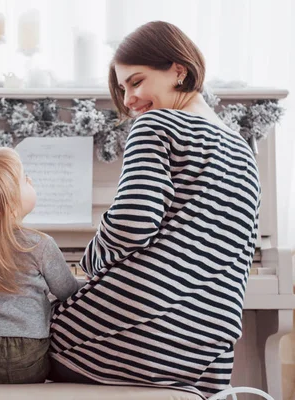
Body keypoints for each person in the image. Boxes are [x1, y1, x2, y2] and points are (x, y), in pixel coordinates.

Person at [48, 21, 261, 399]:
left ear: (179, 70)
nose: (128, 99)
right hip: (201, 351)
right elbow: (237, 264)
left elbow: (133, 222)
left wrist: (90, 262)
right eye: (122, 87)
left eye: (136, 81)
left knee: (7, 341)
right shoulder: (243, 150)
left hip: (125, 339)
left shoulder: (157, 124)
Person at [0, 147, 79, 384]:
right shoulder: (39, 244)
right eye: (23, 178)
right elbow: (68, 292)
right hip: (29, 356)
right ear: (8, 204)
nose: (29, 179)